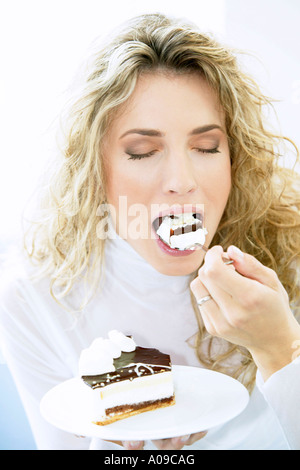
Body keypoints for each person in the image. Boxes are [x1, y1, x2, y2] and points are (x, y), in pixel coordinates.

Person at [0, 12, 300, 450]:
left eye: (206, 147)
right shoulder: (35, 297)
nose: (181, 179)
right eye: (141, 151)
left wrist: (281, 349)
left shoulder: (290, 256)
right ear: (94, 168)